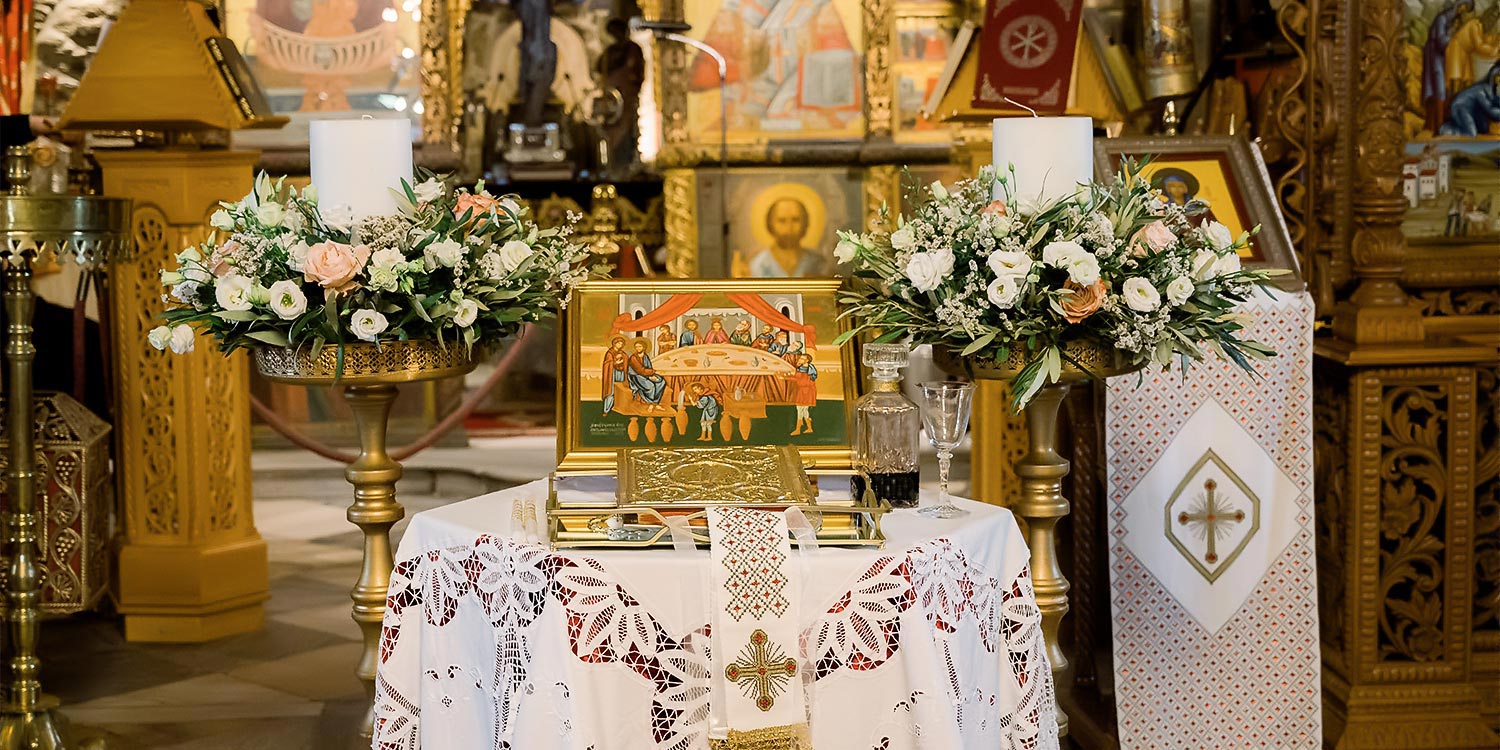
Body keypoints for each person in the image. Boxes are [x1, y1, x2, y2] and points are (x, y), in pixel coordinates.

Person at [739, 197, 830, 278]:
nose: (789, 227)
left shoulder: (818, 263)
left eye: (795, 220)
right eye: (782, 221)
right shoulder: (757, 264)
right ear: (770, 224)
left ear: (805, 223)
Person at [626, 339, 666, 404]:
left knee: (661, 381)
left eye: (640, 346)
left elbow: (649, 367)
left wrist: (652, 375)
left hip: (646, 374)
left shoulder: (645, 356)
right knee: (650, 386)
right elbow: (640, 370)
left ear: (644, 347)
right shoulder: (633, 358)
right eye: (636, 347)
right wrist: (650, 376)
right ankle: (649, 401)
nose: (638, 348)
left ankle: (655, 401)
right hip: (636, 376)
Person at [789, 353, 818, 436]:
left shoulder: (809, 370)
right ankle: (808, 428)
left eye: (802, 358)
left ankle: (798, 429)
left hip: (806, 392)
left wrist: (786, 378)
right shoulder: (801, 369)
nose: (800, 360)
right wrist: (785, 377)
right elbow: (797, 378)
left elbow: (802, 381)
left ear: (807, 361)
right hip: (803, 391)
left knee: (801, 410)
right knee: (803, 410)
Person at [600, 336, 629, 414]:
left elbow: (626, 359)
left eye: (622, 344)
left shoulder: (622, 353)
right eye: (619, 343)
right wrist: (615, 362)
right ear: (614, 343)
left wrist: (623, 358)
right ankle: (607, 409)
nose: (620, 345)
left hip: (621, 373)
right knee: (611, 390)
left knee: (620, 389)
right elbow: (607, 364)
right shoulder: (609, 353)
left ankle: (618, 407)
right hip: (612, 373)